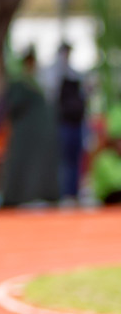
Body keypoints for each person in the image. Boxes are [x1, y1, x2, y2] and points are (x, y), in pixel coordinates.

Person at [0, 50, 60, 208]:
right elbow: (11, 106)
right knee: (21, 165)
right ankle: (18, 196)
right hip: (25, 136)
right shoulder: (20, 83)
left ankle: (40, 194)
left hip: (39, 135)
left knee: (39, 166)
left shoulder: (39, 81)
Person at [52, 44, 89, 200]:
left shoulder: (76, 74)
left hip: (76, 123)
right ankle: (64, 192)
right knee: (64, 160)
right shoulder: (53, 74)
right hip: (63, 124)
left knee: (75, 159)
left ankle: (73, 192)